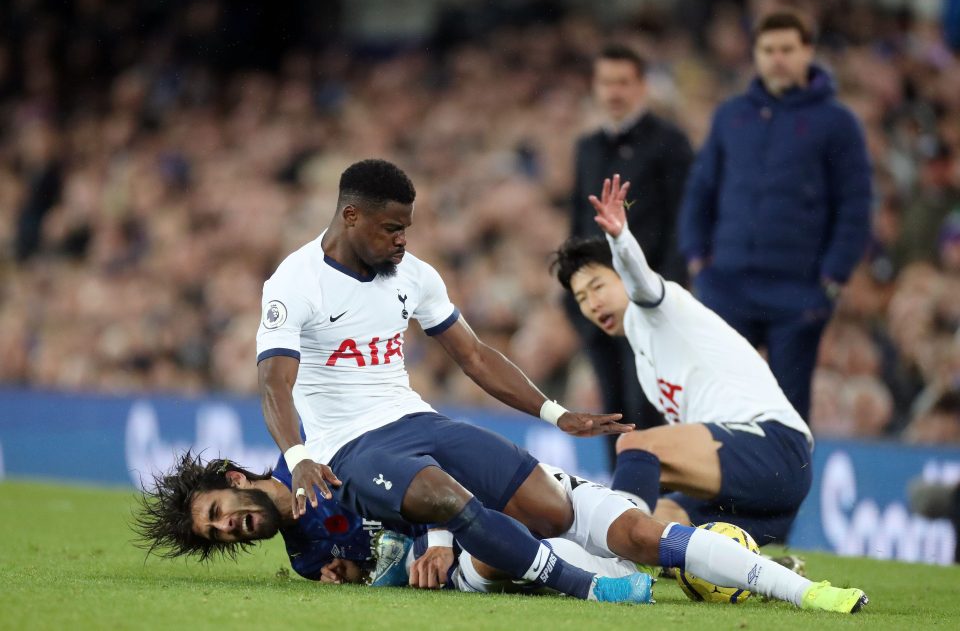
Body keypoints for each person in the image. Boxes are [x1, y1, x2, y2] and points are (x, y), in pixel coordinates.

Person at [253, 158, 865, 611]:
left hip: (417, 421)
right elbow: (276, 387)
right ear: (350, 215)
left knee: (549, 507)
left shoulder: (413, 274)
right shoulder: (294, 283)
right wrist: (299, 455)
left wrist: (553, 412)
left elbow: (474, 355)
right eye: (391, 228)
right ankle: (588, 587)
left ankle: (776, 586)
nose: (401, 240)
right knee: (445, 496)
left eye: (407, 228)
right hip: (349, 448)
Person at [133, 451, 867, 613]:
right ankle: (739, 567)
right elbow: (391, 567)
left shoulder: (321, 452)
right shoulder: (305, 558)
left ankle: (780, 577)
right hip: (486, 556)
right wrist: (369, 575)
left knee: (638, 531)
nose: (231, 527)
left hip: (492, 492)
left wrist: (438, 537)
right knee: (507, 556)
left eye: (218, 513)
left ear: (230, 478)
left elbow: (424, 472)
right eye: (220, 535)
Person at [554, 174, 814, 546]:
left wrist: (619, 239)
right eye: (581, 298)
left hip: (775, 449)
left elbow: (642, 281)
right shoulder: (646, 363)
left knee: (635, 446)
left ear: (621, 279)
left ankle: (610, 556)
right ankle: (753, 565)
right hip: (752, 490)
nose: (592, 303)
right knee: (661, 517)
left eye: (598, 286)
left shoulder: (660, 308)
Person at [678, 10, 873, 422]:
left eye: (787, 49)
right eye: (769, 50)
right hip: (727, 285)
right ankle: (716, 488)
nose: (778, 58)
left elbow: (855, 205)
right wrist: (697, 256)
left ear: (808, 52)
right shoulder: (731, 115)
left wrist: (833, 278)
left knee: (785, 413)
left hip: (798, 292)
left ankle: (785, 490)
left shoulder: (838, 123)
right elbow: (701, 189)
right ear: (756, 54)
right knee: (718, 404)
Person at [568, 44, 694, 451]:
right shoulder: (587, 146)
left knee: (647, 411)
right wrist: (571, 290)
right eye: (606, 82)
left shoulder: (671, 143)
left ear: (641, 86)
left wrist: (664, 291)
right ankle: (620, 506)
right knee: (609, 413)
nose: (614, 92)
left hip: (645, 302)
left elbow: (682, 223)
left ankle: (653, 507)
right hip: (596, 303)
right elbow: (576, 220)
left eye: (623, 82)